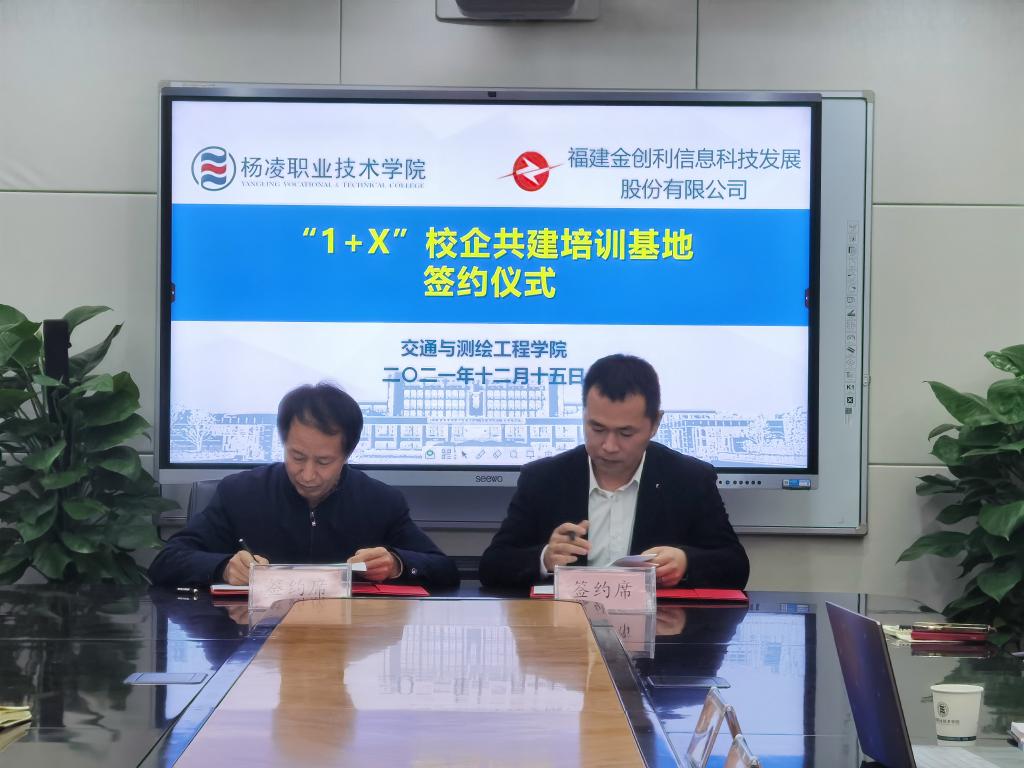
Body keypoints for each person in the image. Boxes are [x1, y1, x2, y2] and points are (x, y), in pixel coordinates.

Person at [149, 383, 460, 589]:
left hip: (348, 644)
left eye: (323, 461)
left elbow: (445, 570)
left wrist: (397, 564)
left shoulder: (380, 501)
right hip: (249, 642)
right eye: (297, 457)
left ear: (347, 454)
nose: (308, 474)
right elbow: (166, 562)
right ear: (283, 442)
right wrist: (223, 568)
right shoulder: (240, 494)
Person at [478, 354, 749, 589]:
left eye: (625, 433)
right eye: (597, 429)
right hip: (566, 626)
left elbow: (735, 566)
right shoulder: (544, 479)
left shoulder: (689, 479)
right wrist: (545, 558)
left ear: (655, 423)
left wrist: (686, 562)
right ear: (584, 415)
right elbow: (492, 566)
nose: (609, 446)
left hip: (659, 628)